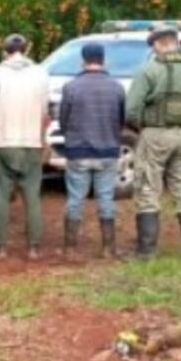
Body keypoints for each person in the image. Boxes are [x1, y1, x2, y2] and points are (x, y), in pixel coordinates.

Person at [126, 23, 181, 259]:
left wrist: (144, 124)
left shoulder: (148, 71)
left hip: (155, 134)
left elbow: (131, 109)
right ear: (176, 43)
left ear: (156, 45)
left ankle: (146, 252)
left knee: (147, 187)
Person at [57, 42, 126, 259]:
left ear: (83, 61)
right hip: (107, 150)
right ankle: (108, 248)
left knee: (75, 198)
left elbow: (63, 121)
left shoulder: (71, 87)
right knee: (106, 198)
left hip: (78, 150)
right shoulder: (117, 87)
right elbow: (121, 119)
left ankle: (70, 248)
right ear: (104, 61)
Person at [0, 34, 49, 261]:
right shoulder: (40, 73)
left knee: (2, 195)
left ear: (5, 51)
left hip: (3, 141)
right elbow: (44, 108)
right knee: (32, 196)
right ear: (26, 49)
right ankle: (34, 248)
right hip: (31, 140)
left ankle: (0, 248)